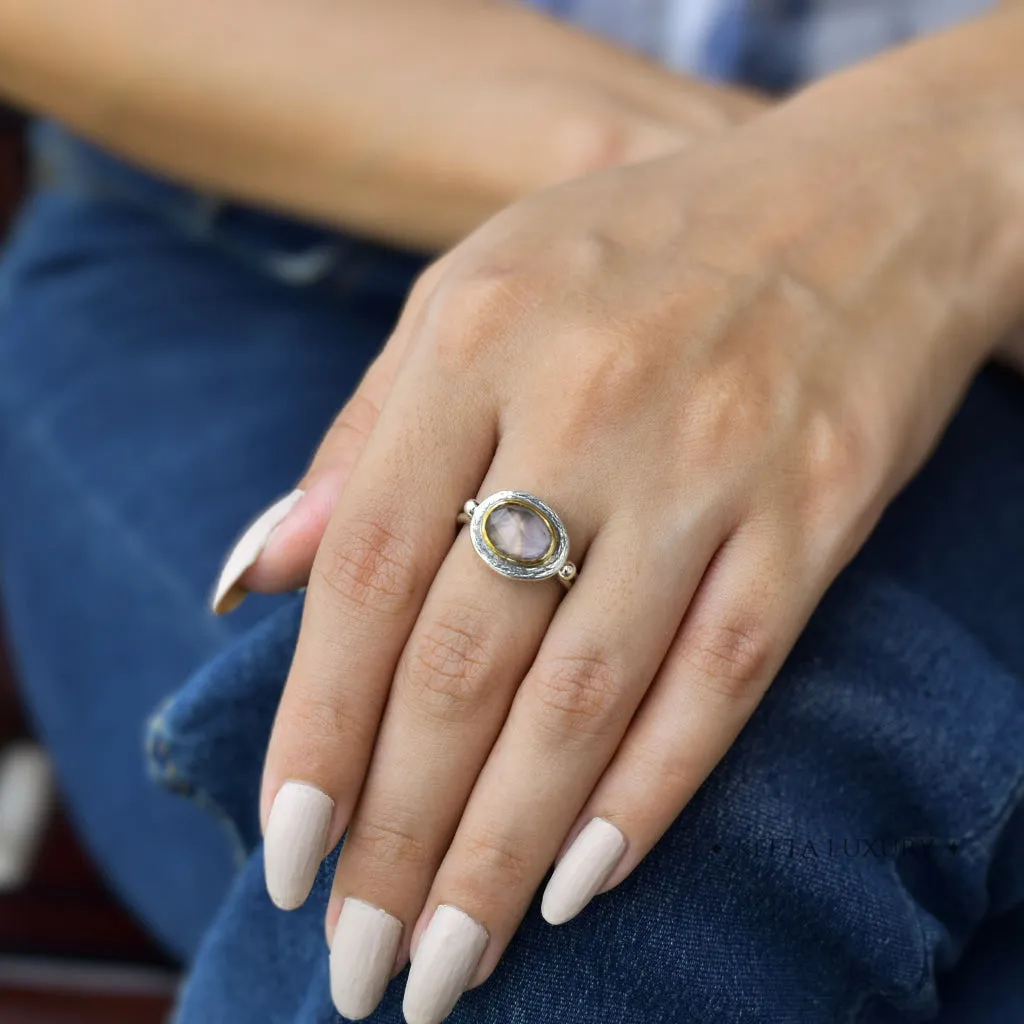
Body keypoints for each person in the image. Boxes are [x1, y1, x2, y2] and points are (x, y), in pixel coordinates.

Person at [0, 1, 1022, 1021]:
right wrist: (749, 194)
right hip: (251, 234)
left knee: (608, 840)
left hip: (969, 295)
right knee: (547, 848)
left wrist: (918, 181)